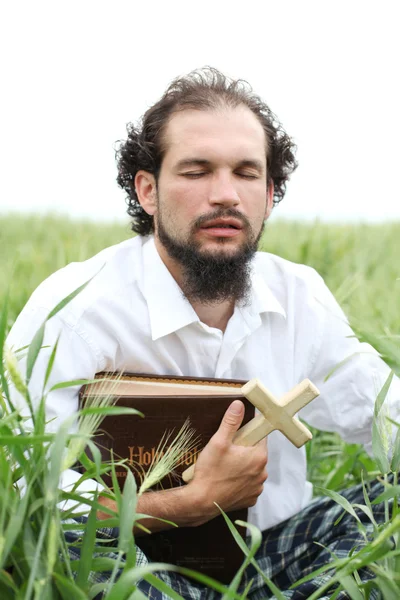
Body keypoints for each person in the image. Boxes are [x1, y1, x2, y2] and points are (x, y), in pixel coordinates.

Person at [7, 68, 400, 599]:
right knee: (79, 547)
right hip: (135, 564)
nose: (225, 195)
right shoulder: (77, 309)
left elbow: (381, 412)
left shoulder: (299, 296)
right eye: (196, 171)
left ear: (270, 192)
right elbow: (25, 491)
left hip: (273, 559)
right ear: (147, 189)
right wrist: (190, 504)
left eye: (245, 173)